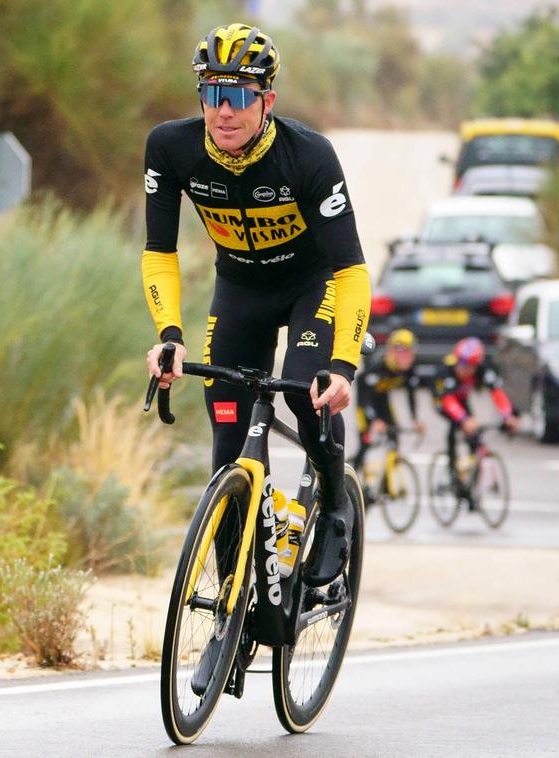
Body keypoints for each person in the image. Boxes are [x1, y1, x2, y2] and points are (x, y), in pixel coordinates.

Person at [143, 23, 371, 586]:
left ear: (266, 100)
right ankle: (231, 604)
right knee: (228, 442)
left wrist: (343, 366)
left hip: (310, 287)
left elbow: (352, 269)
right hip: (239, 290)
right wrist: (169, 334)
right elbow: (158, 253)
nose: (224, 111)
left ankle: (335, 506)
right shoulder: (170, 148)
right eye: (212, 95)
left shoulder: (310, 156)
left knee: (306, 395)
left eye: (239, 95)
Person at [433, 337, 519, 484]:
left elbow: (497, 393)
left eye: (467, 366)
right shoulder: (447, 370)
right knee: (457, 426)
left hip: (462, 398)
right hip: (444, 400)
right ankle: (452, 469)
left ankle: (472, 480)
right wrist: (463, 420)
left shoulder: (482, 369)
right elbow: (448, 401)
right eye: (459, 364)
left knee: (475, 437)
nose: (462, 369)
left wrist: (507, 415)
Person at [351, 328, 425, 475]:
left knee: (393, 436)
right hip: (366, 402)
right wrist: (374, 420)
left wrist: (415, 419)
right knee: (366, 442)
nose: (405, 357)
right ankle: (354, 475)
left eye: (408, 351)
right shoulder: (378, 367)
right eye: (400, 351)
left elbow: (411, 394)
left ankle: (386, 482)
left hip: (383, 400)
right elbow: (364, 396)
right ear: (391, 351)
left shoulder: (410, 369)